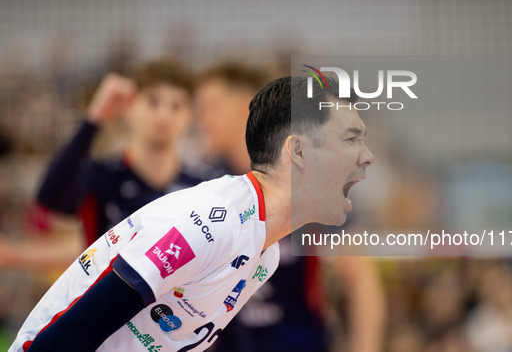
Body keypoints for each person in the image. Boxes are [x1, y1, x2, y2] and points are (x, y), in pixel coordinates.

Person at [9, 75, 374, 352]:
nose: (365, 157)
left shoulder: (267, 252)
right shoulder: (212, 221)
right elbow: (67, 336)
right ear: (298, 153)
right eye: (349, 140)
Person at [195, 62, 385, 352]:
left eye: (212, 106)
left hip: (299, 342)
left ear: (245, 106)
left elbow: (360, 281)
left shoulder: (312, 180)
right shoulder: (205, 184)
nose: (202, 119)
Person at [35, 58, 210, 247]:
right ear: (129, 108)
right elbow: (48, 200)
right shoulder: (102, 177)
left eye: (176, 106)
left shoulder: (200, 186)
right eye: (153, 102)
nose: (164, 115)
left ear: (189, 116)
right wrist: (94, 118)